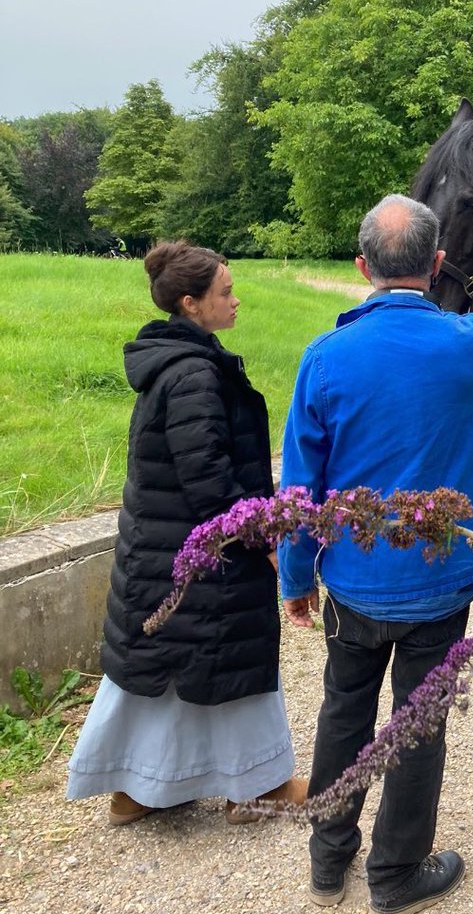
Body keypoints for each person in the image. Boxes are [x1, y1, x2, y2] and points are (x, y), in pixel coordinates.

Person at [279, 194, 473, 914]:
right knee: (419, 725)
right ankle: (395, 874)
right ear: (440, 263)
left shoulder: (324, 358)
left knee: (343, 713)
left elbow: (299, 490)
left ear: (361, 266)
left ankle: (329, 862)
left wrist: (296, 579)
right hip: (441, 586)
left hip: (353, 584)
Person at [67, 242, 307, 825]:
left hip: (164, 552)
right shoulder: (194, 374)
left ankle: (137, 789)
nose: (236, 300)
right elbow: (209, 484)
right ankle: (255, 786)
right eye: (225, 292)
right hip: (199, 553)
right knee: (227, 662)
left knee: (166, 672)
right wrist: (265, 536)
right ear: (190, 303)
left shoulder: (177, 363)